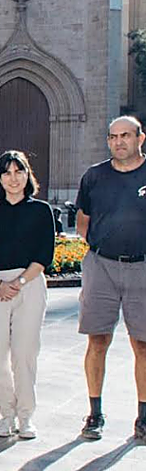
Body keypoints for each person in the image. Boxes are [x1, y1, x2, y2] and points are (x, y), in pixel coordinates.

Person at [75, 115, 146, 442]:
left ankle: (143, 417)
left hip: (142, 268)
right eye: (113, 137)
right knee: (98, 341)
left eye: (126, 136)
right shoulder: (94, 176)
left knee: (142, 345)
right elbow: (83, 222)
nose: (119, 142)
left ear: (140, 139)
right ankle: (95, 413)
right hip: (101, 266)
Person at [0, 150, 53, 440]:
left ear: (27, 175)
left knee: (25, 353)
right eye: (7, 173)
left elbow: (44, 255)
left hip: (29, 284)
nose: (13, 178)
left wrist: (19, 282)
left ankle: (25, 416)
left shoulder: (41, 210)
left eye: (18, 171)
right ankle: (6, 414)